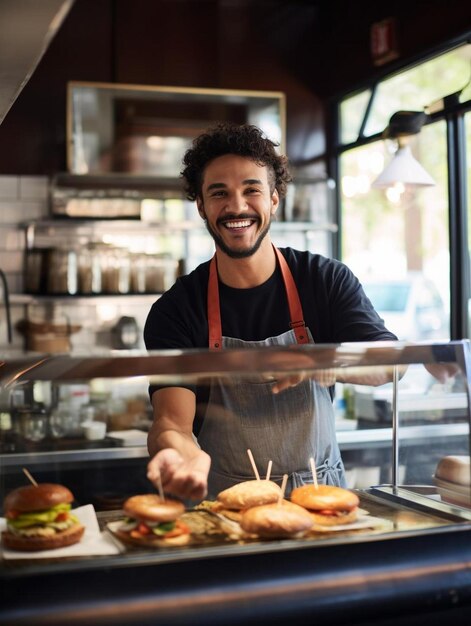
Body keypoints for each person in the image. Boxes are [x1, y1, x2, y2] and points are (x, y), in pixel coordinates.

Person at [144, 122, 397, 502]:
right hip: (228, 507)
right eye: (219, 193)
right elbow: (171, 422)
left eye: (252, 190)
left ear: (275, 199)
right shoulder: (176, 310)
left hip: (322, 499)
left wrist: (324, 361)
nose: (237, 206)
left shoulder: (325, 280)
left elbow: (393, 363)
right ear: (200, 205)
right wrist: (178, 453)